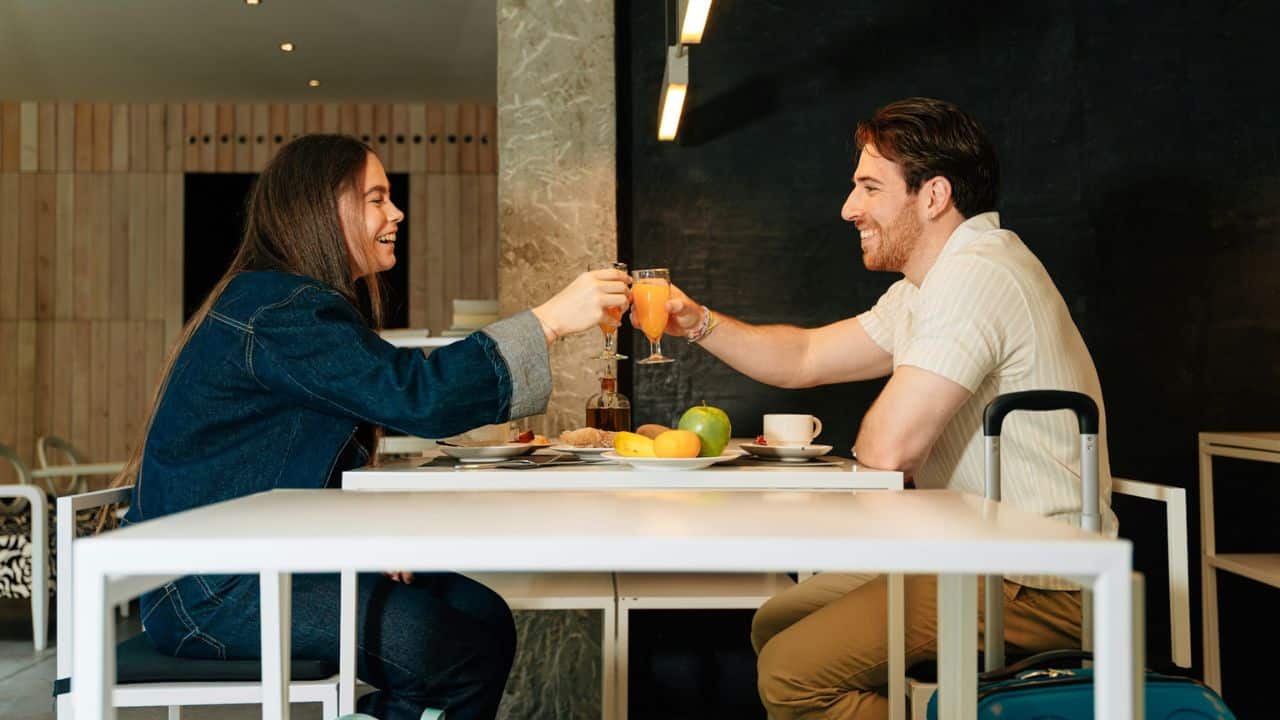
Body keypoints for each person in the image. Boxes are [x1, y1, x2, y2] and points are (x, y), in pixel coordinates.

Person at [115, 134, 630, 720]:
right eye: (377, 198)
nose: (396, 213)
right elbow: (419, 397)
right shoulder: (281, 309)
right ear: (321, 208)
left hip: (253, 563)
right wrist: (550, 321)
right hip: (214, 589)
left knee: (483, 619)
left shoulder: (287, 300)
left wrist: (364, 538)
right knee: (452, 652)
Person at [638, 98, 1118, 718]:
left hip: (1035, 578)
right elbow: (806, 357)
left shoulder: (977, 273)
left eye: (869, 187)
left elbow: (890, 449)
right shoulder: (926, 288)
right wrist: (697, 322)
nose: (848, 208)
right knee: (776, 621)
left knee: (790, 676)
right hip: (976, 554)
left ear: (934, 195)